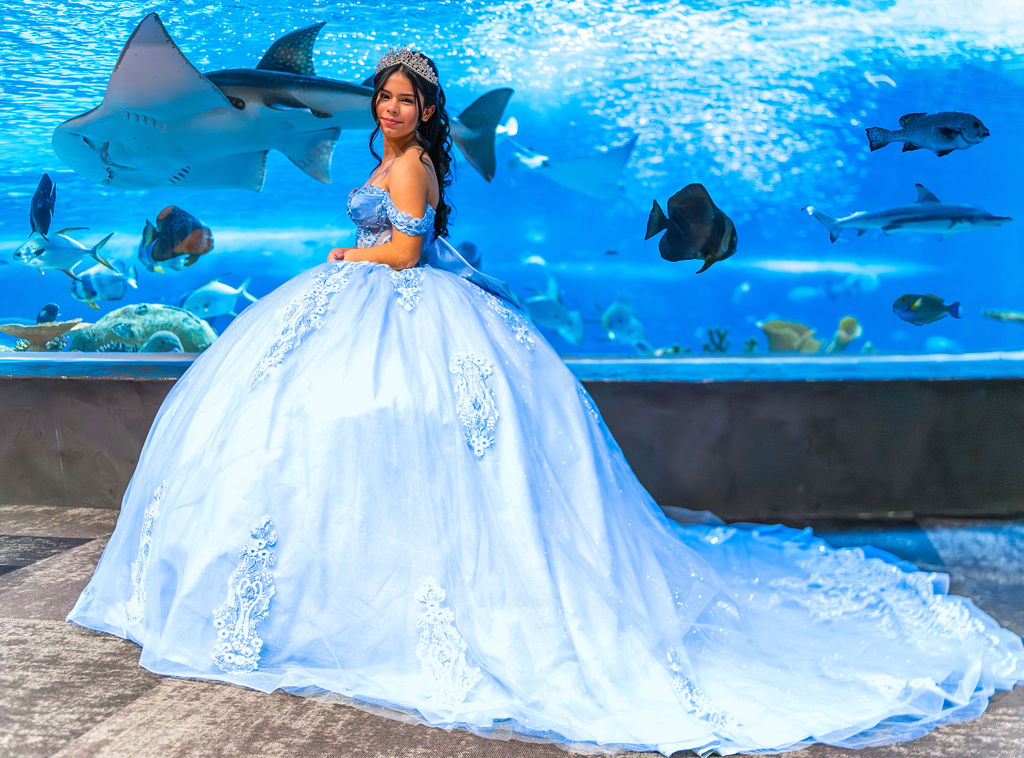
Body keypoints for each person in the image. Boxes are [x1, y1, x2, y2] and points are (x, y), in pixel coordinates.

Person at [68, 46, 1023, 757]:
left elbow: (404, 251)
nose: (394, 110)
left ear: (425, 111)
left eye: (407, 100)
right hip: (384, 312)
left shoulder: (413, 165)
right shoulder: (392, 157)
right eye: (387, 98)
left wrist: (350, 252)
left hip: (395, 301)